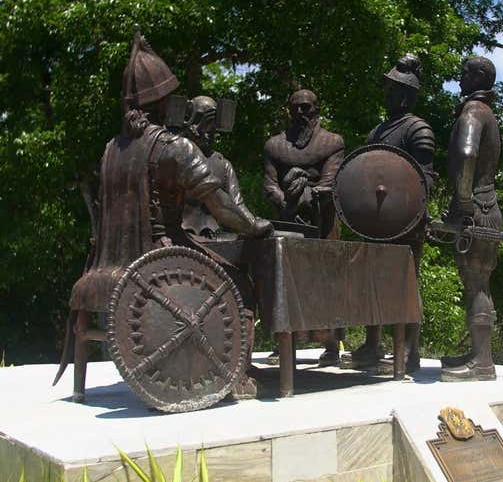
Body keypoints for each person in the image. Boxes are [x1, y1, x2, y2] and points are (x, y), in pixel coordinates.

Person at [61, 27, 273, 400]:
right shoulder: (174, 148)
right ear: (163, 103)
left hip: (103, 265)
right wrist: (255, 225)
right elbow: (220, 204)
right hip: (158, 256)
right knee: (240, 283)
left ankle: (80, 389)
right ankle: (234, 375)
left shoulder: (111, 149)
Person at [347, 53, 435, 373]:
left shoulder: (417, 130)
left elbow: (425, 179)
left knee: (405, 283)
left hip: (405, 222)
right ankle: (373, 343)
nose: (387, 93)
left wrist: (407, 211)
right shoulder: (377, 132)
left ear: (406, 94)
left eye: (393, 89)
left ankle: (409, 350)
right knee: (372, 282)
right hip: (376, 222)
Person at [263, 89, 345, 365]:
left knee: (327, 283)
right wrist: (287, 201)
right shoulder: (274, 145)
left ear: (316, 109)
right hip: (286, 220)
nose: (300, 113)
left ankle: (331, 344)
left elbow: (329, 183)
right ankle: (285, 343)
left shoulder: (332, 142)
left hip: (323, 223)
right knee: (285, 283)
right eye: (295, 108)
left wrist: (306, 196)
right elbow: (269, 184)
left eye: (306, 107)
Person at [440, 56, 502, 381]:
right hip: (483, 207)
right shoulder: (484, 111)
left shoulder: (474, 111)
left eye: (464, 72)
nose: (459, 76)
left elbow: (467, 154)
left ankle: (482, 362)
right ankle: (479, 353)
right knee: (475, 283)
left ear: (478, 77)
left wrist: (463, 201)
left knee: (477, 282)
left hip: (477, 208)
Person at [181, 95, 254, 241]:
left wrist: (254, 225)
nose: (207, 133)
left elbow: (238, 205)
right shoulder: (177, 157)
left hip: (214, 235)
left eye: (211, 128)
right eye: (202, 124)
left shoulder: (223, 164)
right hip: (181, 233)